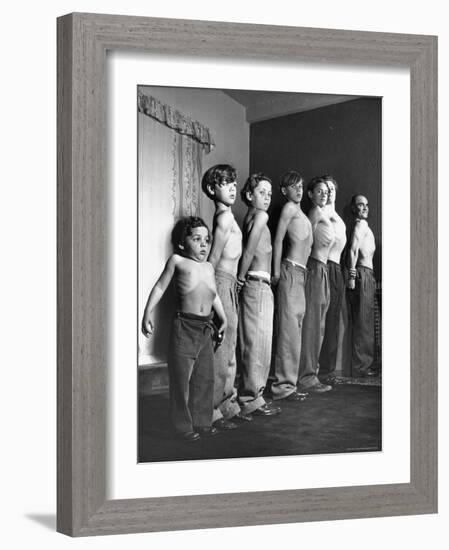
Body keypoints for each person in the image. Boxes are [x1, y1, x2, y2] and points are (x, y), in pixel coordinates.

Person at [141, 216, 227, 442]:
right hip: (184, 326)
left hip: (206, 328)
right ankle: (182, 426)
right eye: (196, 239)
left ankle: (202, 421)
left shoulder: (208, 267)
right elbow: (160, 287)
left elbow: (214, 294)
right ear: (182, 243)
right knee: (181, 380)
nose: (203, 244)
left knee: (205, 378)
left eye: (206, 240)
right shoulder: (177, 261)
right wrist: (147, 312)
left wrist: (223, 317)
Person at [201, 164, 249, 430]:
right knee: (221, 348)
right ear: (211, 189)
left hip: (229, 284)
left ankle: (228, 404)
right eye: (225, 183)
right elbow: (212, 261)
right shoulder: (223, 219)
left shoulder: (228, 216)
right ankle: (211, 411)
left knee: (229, 346)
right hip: (219, 281)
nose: (232, 187)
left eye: (234, 182)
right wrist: (209, 295)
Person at [236, 173, 281, 416]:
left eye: (269, 194)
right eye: (261, 192)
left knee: (260, 343)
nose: (266, 197)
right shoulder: (261, 216)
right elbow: (249, 250)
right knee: (255, 344)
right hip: (255, 284)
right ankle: (250, 399)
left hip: (260, 286)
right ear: (249, 195)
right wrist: (241, 279)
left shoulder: (254, 216)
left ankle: (255, 397)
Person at [271, 171, 313, 402]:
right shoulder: (288, 208)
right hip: (289, 271)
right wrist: (276, 272)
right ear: (284, 190)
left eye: (301, 185)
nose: (298, 189)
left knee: (295, 330)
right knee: (288, 332)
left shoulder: (301, 213)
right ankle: (282, 387)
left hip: (302, 274)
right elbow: (278, 240)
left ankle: (290, 383)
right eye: (293, 186)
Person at [298, 176, 335, 393]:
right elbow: (305, 241)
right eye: (319, 191)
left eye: (326, 192)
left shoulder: (323, 213)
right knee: (312, 325)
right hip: (313, 267)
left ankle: (312, 373)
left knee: (319, 325)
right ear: (310, 194)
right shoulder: (313, 213)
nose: (324, 195)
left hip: (323, 269)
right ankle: (306, 377)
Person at [318, 176, 347, 385]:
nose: (328, 193)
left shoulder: (335, 215)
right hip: (325, 266)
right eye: (324, 189)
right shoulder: (322, 214)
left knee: (334, 321)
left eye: (331, 189)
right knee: (323, 320)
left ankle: (327, 370)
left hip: (337, 269)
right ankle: (319, 370)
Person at [346, 194, 378, 377]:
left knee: (365, 321)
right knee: (362, 323)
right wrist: (352, 275)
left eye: (366, 204)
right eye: (360, 205)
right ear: (354, 209)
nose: (364, 208)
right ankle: (361, 368)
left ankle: (364, 366)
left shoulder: (364, 225)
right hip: (361, 274)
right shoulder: (361, 224)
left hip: (368, 275)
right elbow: (352, 249)